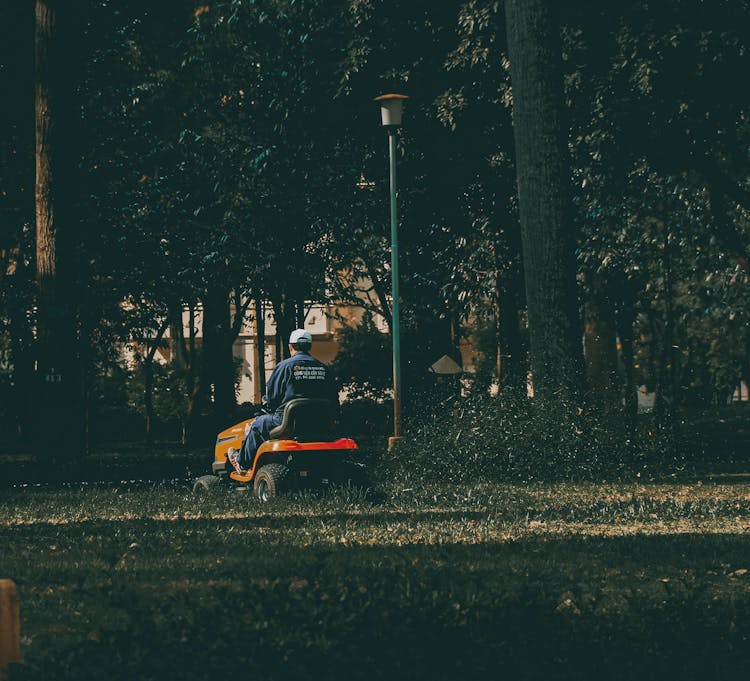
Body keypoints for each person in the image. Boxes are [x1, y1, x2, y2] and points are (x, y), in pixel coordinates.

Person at [227, 328, 338, 473]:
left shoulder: (285, 367)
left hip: (288, 422)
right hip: (319, 423)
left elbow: (273, 398)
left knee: (256, 425)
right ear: (309, 346)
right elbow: (333, 399)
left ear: (291, 346)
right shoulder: (324, 368)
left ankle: (241, 464)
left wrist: (270, 405)